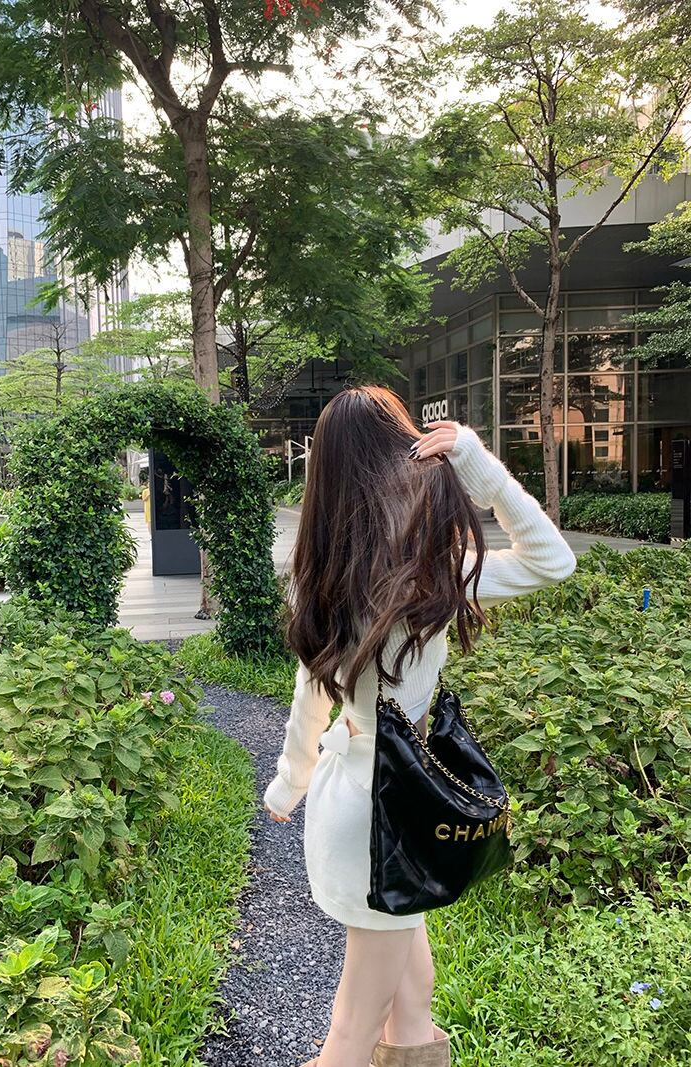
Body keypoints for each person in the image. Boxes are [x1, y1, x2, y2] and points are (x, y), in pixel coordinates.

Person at [262, 386, 577, 1067]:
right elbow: (553, 560)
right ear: (399, 457)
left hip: (352, 804)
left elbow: (310, 694)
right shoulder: (432, 575)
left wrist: (291, 781)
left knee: (412, 1006)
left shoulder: (322, 576)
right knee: (351, 1030)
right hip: (389, 815)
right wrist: (476, 463)